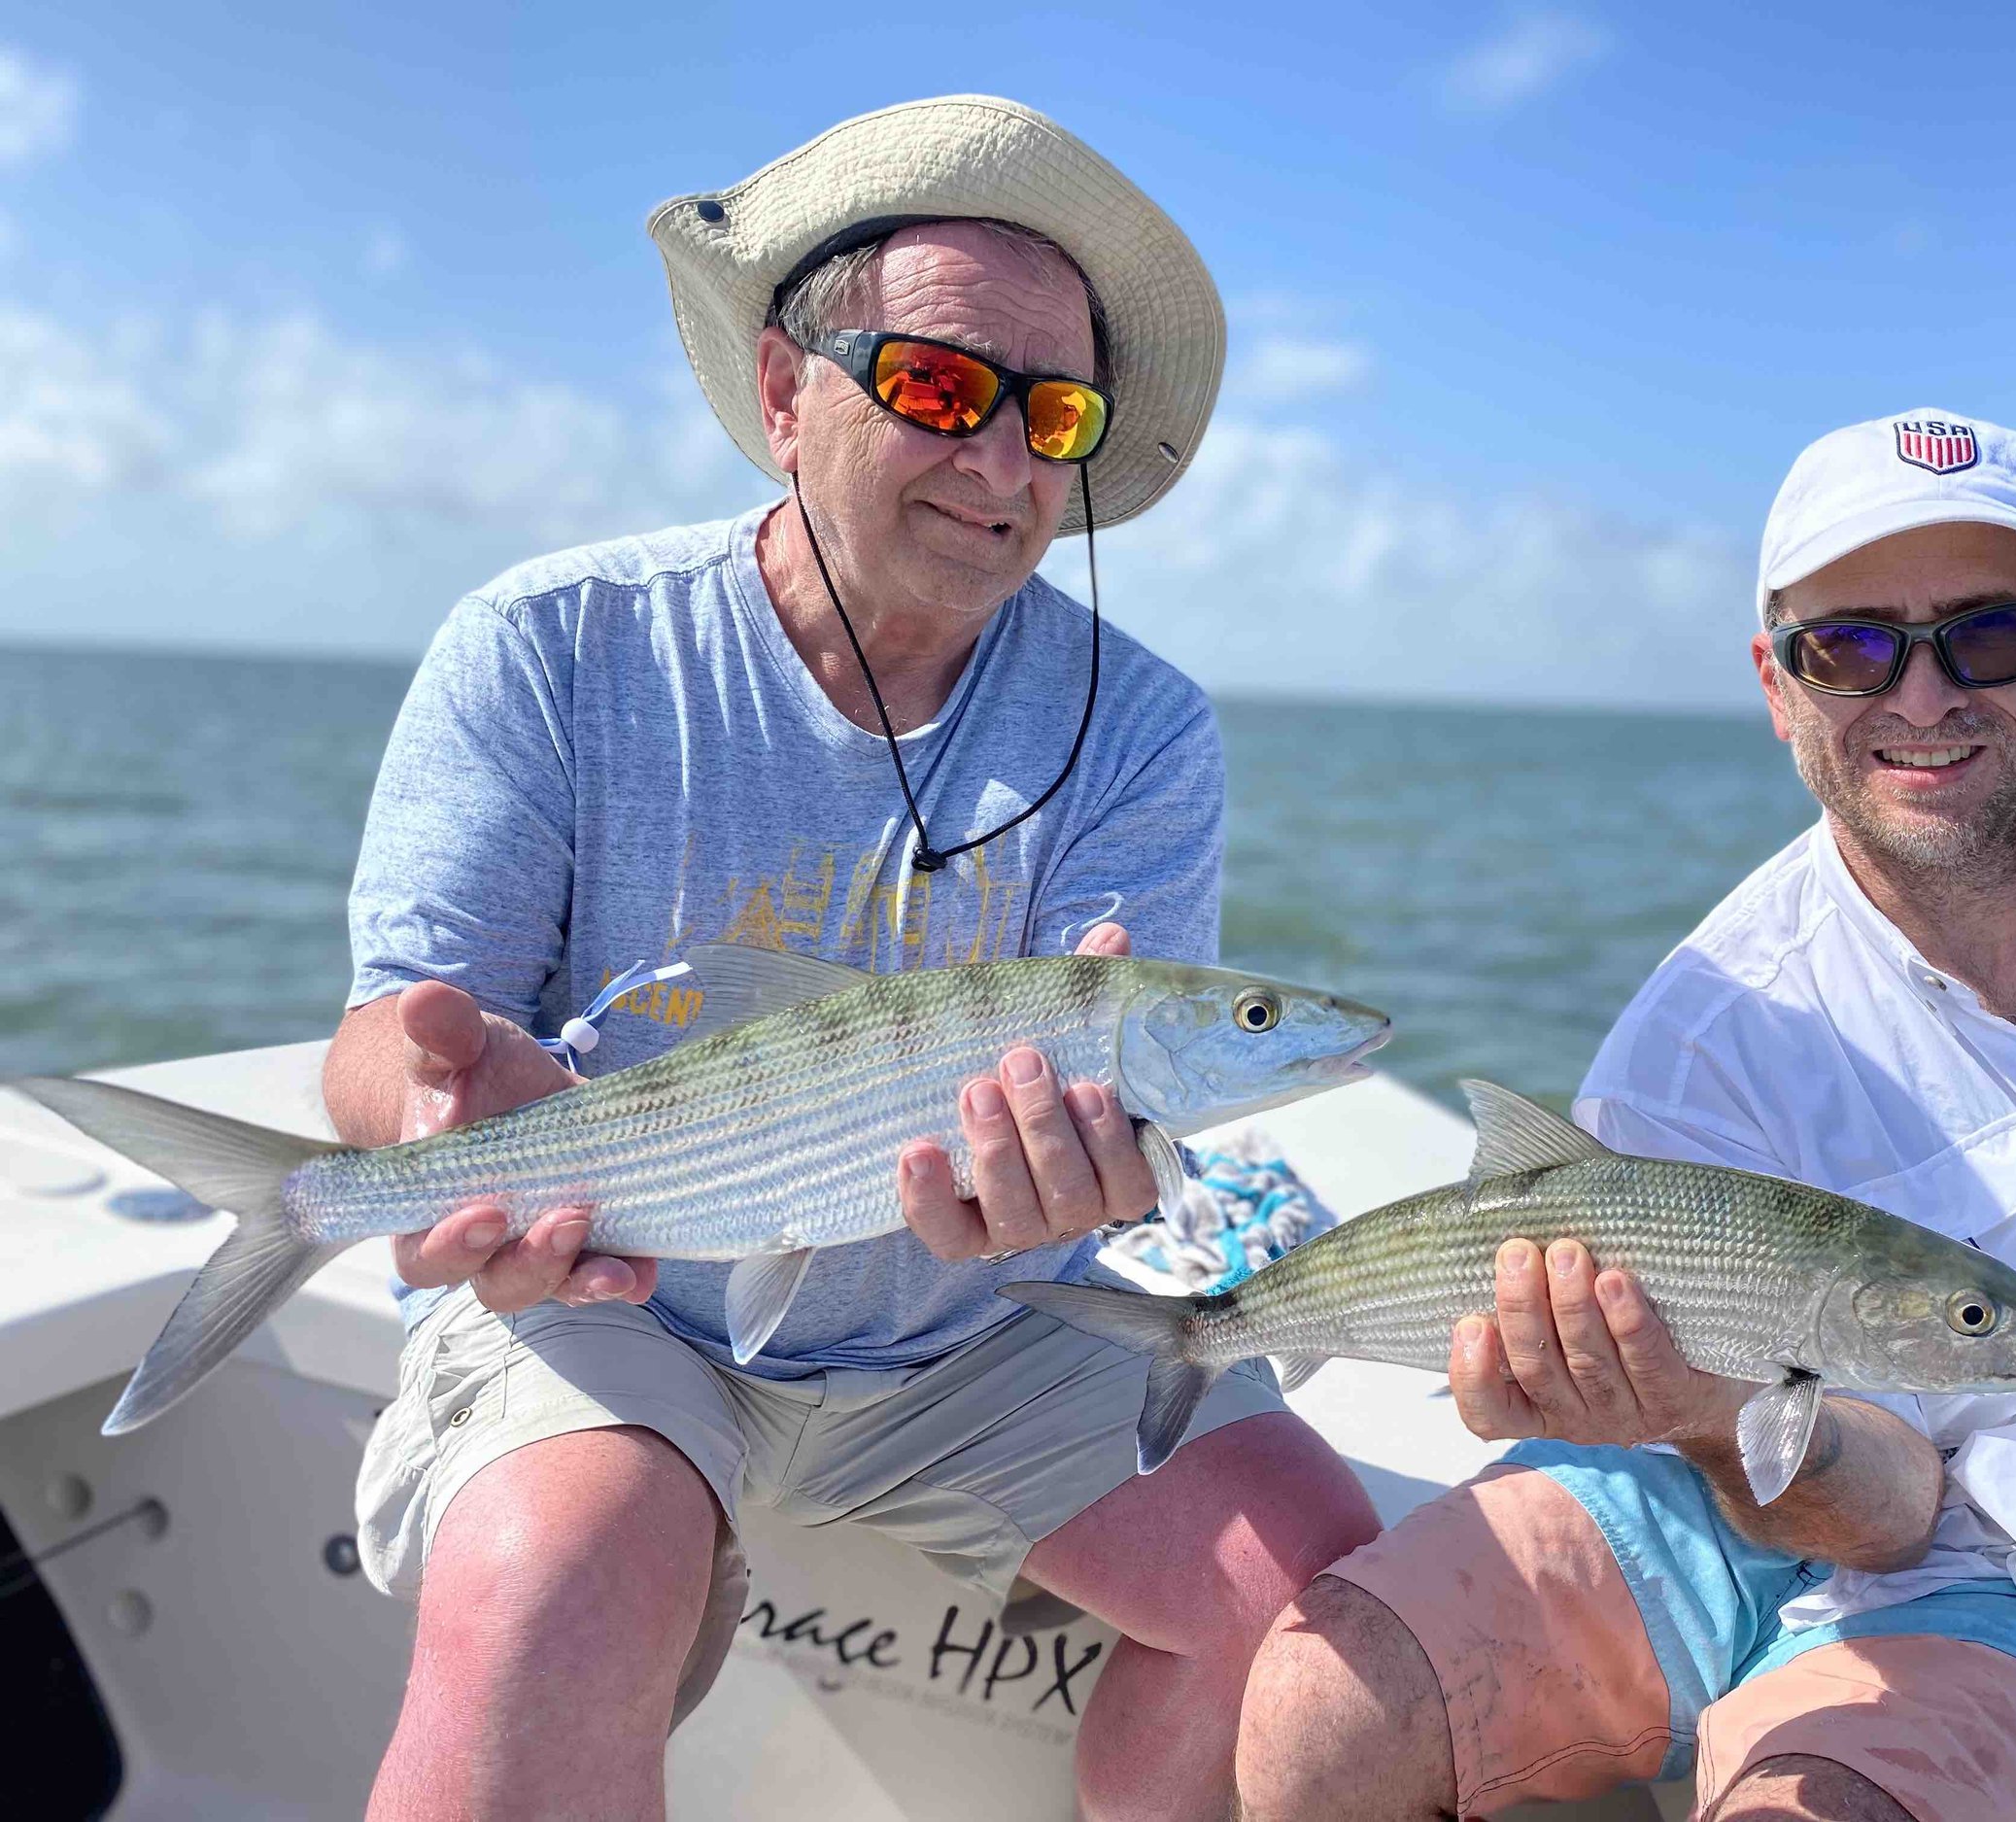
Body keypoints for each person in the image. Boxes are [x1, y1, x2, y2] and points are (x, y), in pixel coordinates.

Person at [326, 95, 1378, 1822]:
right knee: (544, 1599)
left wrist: (1086, 1184)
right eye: (944, 390)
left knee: (1323, 1600)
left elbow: (1104, 1145)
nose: (1005, 463)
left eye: (1055, 415)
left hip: (975, 1319)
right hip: (627, 1288)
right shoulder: (548, 644)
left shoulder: (1148, 726)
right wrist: (437, 1123)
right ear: (782, 391)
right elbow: (391, 1034)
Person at [1237, 409, 2016, 1821]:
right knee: (1322, 1703)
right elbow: (1868, 1502)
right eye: (1852, 644)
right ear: (1774, 680)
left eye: (1989, 634)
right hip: (1774, 1484)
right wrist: (1689, 1404)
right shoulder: (1702, 1038)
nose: (1922, 696)